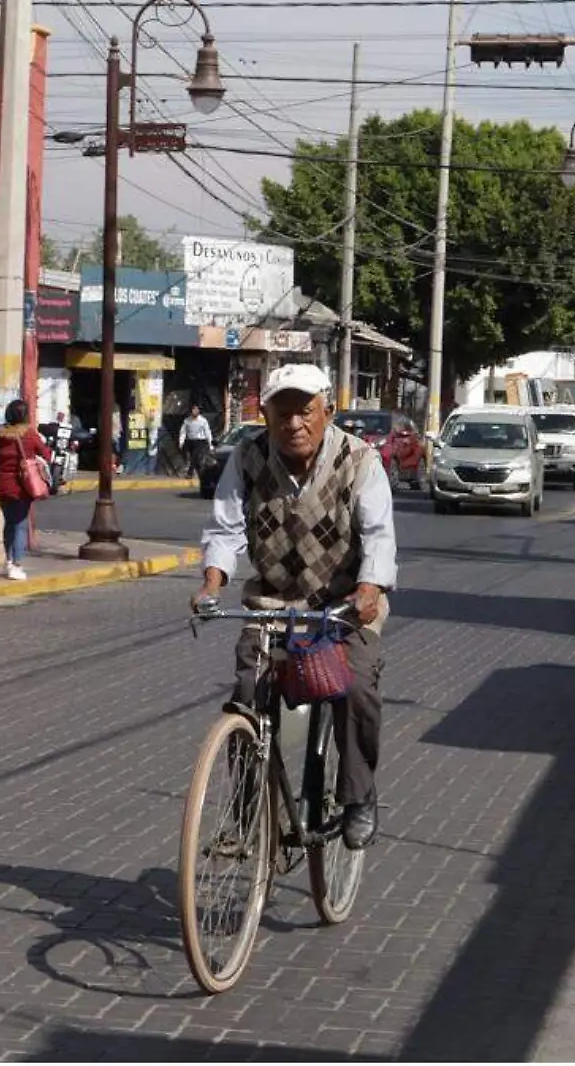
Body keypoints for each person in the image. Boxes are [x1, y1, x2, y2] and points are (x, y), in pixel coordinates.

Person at [194, 363, 397, 851]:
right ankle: (245, 818)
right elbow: (225, 531)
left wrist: (370, 590)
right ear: (265, 415)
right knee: (246, 697)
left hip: (343, 606)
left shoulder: (360, 460)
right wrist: (211, 585)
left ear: (327, 410)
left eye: (305, 411)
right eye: (281, 413)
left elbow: (378, 536)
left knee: (355, 691)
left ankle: (357, 798)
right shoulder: (246, 458)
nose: (294, 424)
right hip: (272, 604)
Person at [0, 398, 54, 582]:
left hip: (1, 484)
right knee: (20, 525)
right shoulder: (29, 434)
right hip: (22, 485)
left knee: (10, 523)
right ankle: (16, 564)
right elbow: (46, 454)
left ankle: (8, 561)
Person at [181, 405, 214, 477]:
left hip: (200, 441)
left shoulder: (203, 420)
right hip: (190, 441)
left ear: (198, 411)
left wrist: (210, 443)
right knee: (195, 459)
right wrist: (181, 441)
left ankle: (190, 473)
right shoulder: (187, 420)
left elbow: (207, 432)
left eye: (196, 410)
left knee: (194, 456)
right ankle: (201, 474)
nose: (195, 411)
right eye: (193, 410)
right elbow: (183, 431)